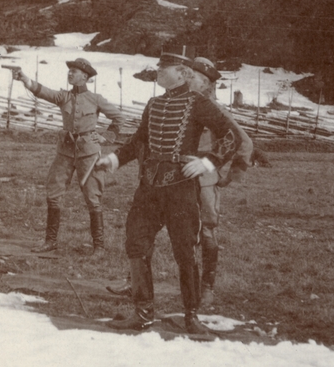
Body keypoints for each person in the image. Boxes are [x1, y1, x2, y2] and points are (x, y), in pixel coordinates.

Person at [95, 50, 248, 336]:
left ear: (182, 73)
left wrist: (207, 162)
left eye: (165, 68)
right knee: (136, 244)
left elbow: (232, 136)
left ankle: (191, 317)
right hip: (149, 188)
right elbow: (139, 140)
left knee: (185, 252)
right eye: (159, 67)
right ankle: (142, 314)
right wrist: (114, 159)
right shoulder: (153, 104)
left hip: (181, 188)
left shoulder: (198, 102)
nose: (159, 71)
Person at [7, 58, 123, 254]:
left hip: (89, 154)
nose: (70, 73)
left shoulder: (95, 99)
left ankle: (99, 247)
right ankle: (50, 241)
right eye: (69, 71)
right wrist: (25, 79)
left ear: (84, 76)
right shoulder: (64, 96)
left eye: (74, 71)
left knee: (93, 197)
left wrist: (107, 136)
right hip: (65, 152)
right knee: (53, 193)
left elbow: (119, 117)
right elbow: (43, 91)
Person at [187, 56, 254, 309]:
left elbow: (243, 141)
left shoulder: (214, 111)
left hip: (203, 179)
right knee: (150, 225)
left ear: (206, 84)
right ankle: (135, 282)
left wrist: (231, 175)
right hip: (170, 178)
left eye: (192, 76)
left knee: (206, 231)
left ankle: (207, 287)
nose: (186, 79)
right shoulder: (171, 104)